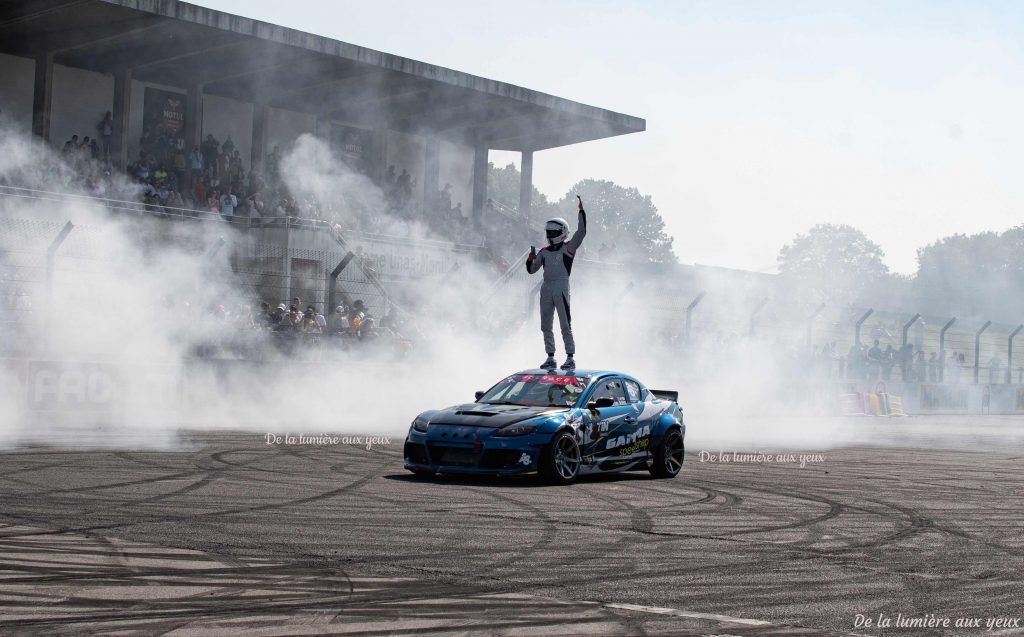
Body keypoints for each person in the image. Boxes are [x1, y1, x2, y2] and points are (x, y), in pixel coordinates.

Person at [525, 195, 587, 370]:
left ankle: (570, 357)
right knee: (545, 324)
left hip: (561, 286)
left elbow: (581, 232)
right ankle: (550, 356)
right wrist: (530, 259)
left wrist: (581, 211)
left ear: (562, 232)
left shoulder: (569, 248)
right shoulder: (543, 251)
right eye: (548, 232)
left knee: (565, 323)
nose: (550, 234)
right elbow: (531, 270)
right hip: (546, 287)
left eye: (553, 232)